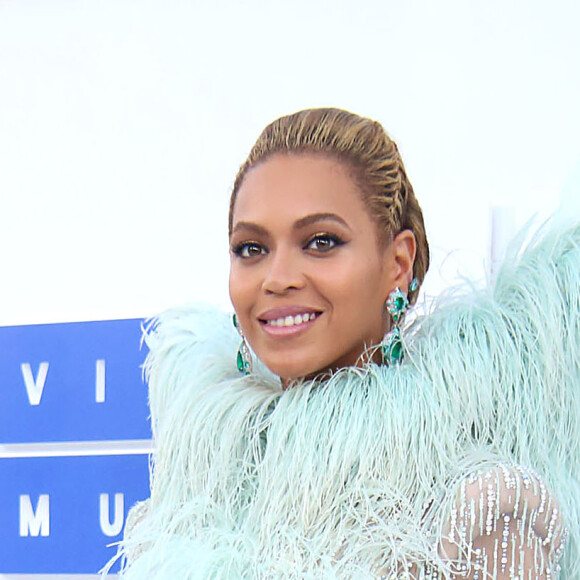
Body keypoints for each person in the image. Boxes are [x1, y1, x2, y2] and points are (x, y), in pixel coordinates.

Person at [110, 108, 578, 578]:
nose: (278, 279)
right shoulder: (179, 511)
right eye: (251, 249)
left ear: (397, 263)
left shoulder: (481, 509)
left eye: (320, 242)